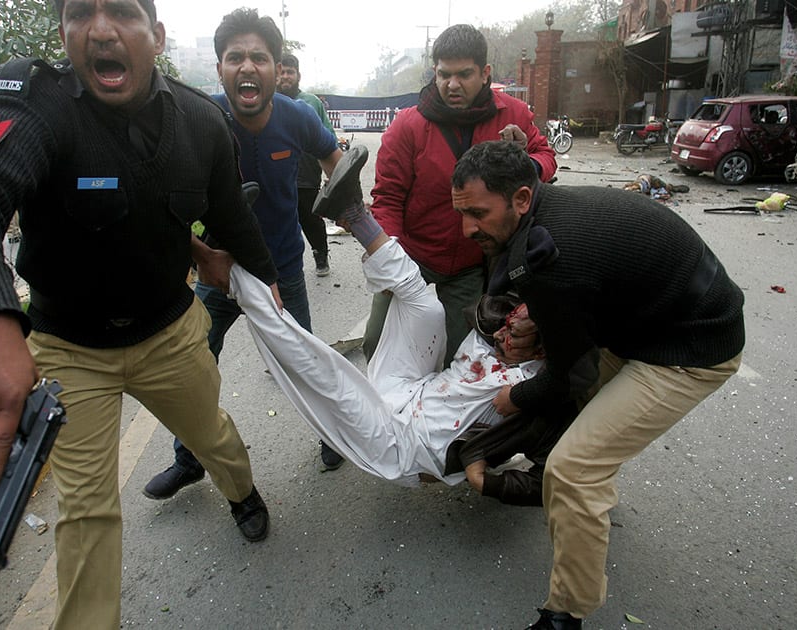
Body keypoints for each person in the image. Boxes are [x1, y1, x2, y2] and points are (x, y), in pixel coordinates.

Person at [0, 0, 279, 626]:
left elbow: (228, 215)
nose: (103, 29)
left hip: (170, 334)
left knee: (211, 435)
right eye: (82, 12)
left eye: (124, 14)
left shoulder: (201, 121)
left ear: (156, 36)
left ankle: (243, 495)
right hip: (67, 351)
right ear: (63, 34)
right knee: (85, 512)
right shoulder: (38, 107)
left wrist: (259, 275)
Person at [450, 141, 745, 629]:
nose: (467, 228)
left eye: (478, 213)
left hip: (692, 349)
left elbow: (571, 376)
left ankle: (565, 613)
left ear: (521, 199)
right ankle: (571, 496)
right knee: (578, 418)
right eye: (461, 213)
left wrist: (514, 397)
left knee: (573, 469)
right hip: (653, 322)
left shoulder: (551, 257)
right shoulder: (544, 215)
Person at [217, 145, 573, 502]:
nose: (502, 333)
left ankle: (235, 268)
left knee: (320, 368)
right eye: (507, 323)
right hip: (411, 387)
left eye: (515, 332)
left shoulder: (538, 389)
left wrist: (488, 482)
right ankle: (351, 211)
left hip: (399, 443)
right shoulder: (496, 321)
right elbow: (514, 245)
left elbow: (561, 468)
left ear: (542, 347)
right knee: (424, 303)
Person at [143, 7, 346, 500]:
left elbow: (335, 159)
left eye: (260, 57)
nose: (248, 66)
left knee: (304, 359)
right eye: (236, 57)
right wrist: (197, 255)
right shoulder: (198, 118)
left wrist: (346, 207)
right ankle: (187, 461)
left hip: (283, 270)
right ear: (220, 69)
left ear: (277, 69)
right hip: (219, 270)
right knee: (195, 367)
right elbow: (155, 197)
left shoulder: (297, 117)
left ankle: (333, 434)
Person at [366, 24, 557, 369]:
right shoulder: (407, 126)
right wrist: (389, 256)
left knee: (462, 354)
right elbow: (388, 198)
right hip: (413, 257)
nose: (452, 85)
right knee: (377, 344)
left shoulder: (513, 114)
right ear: (434, 73)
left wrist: (523, 161)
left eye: (464, 74)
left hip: (473, 264)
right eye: (444, 74)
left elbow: (546, 157)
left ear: (485, 74)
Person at [276, 52, 337, 277]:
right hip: (277, 177)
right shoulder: (266, 102)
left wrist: (335, 175)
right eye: (281, 72)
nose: (285, 77)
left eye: (290, 72)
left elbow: (328, 138)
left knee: (310, 218)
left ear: (298, 75)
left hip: (306, 175)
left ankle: (320, 253)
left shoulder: (310, 102)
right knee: (279, 219)